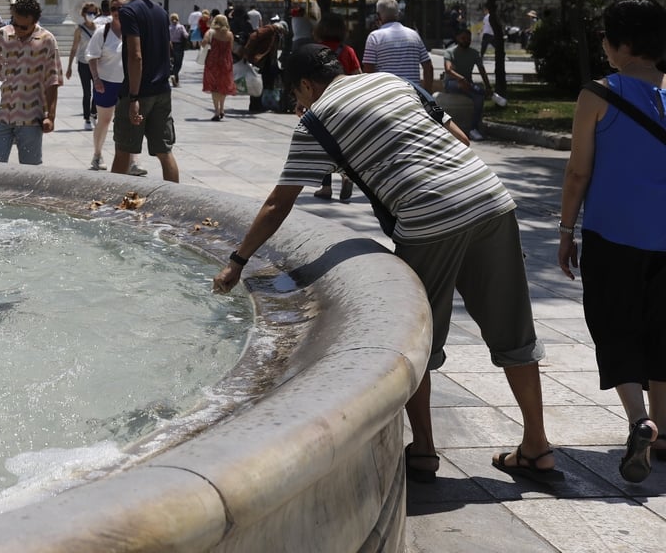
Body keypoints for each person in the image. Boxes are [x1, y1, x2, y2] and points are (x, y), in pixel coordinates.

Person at [213, 44, 558, 486]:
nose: (297, 103)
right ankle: (537, 446)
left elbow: (280, 203)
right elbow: (461, 139)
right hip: (490, 198)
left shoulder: (316, 121)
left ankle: (424, 450)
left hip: (428, 218)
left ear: (306, 85)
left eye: (295, 94)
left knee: (419, 338)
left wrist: (238, 261)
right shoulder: (393, 82)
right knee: (513, 332)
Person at [558, 0, 666, 483]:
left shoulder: (597, 94)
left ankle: (640, 421)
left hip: (613, 234)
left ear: (621, 43)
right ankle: (664, 432)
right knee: (662, 330)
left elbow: (578, 171)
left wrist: (566, 231)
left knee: (615, 323)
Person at [111, 0, 179, 182]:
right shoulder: (161, 12)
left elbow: (135, 55)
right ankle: (175, 197)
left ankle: (112, 198)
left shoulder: (129, 11)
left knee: (123, 150)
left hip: (140, 92)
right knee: (164, 151)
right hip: (162, 91)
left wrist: (133, 97)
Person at [0, 0, 63, 165]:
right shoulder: (3, 35)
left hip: (31, 119)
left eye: (23, 27)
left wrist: (51, 117)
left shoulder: (47, 40)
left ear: (34, 22)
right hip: (1, 115)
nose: (17, 29)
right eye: (15, 23)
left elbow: (52, 81)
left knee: (30, 170)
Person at [312, 15, 361, 200]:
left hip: (322, 103)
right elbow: (357, 75)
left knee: (322, 143)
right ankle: (346, 175)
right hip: (345, 102)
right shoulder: (348, 51)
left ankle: (326, 187)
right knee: (343, 142)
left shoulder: (315, 50)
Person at [85, 0, 126, 171]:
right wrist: (96, 79)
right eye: (113, 9)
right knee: (105, 120)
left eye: (121, 9)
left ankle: (132, 159)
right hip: (106, 83)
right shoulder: (103, 31)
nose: (117, 12)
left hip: (127, 84)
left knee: (128, 122)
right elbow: (91, 56)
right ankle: (97, 154)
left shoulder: (133, 30)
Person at [362, 0, 434, 92]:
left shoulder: (374, 37)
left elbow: (368, 70)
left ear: (378, 15)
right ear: (398, 14)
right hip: (412, 94)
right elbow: (428, 67)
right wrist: (427, 93)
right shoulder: (414, 35)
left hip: (386, 94)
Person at [443, 25, 492, 142]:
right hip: (452, 83)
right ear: (457, 38)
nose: (466, 41)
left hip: (468, 84)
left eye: (468, 39)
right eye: (463, 38)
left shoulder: (474, 53)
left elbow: (482, 70)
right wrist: (461, 78)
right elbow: (448, 70)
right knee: (462, 85)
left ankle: (473, 128)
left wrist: (488, 86)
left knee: (479, 97)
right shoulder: (450, 52)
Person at [65, 2, 102, 131]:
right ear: (84, 14)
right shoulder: (79, 30)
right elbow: (74, 48)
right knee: (87, 92)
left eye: (94, 13)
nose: (92, 15)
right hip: (84, 63)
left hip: (97, 64)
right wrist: (69, 67)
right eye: (89, 13)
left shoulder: (99, 29)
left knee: (97, 91)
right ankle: (87, 119)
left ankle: (93, 113)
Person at [201, 13, 237, 120]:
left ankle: (216, 111)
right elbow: (231, 48)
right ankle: (222, 109)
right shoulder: (230, 34)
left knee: (214, 86)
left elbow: (203, 43)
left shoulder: (211, 32)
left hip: (213, 62)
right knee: (223, 85)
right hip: (226, 61)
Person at [169, 12, 189, 87]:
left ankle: (176, 80)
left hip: (170, 46)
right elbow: (186, 35)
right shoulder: (181, 27)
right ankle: (174, 74)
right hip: (179, 46)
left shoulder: (169, 27)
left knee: (172, 62)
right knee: (178, 63)